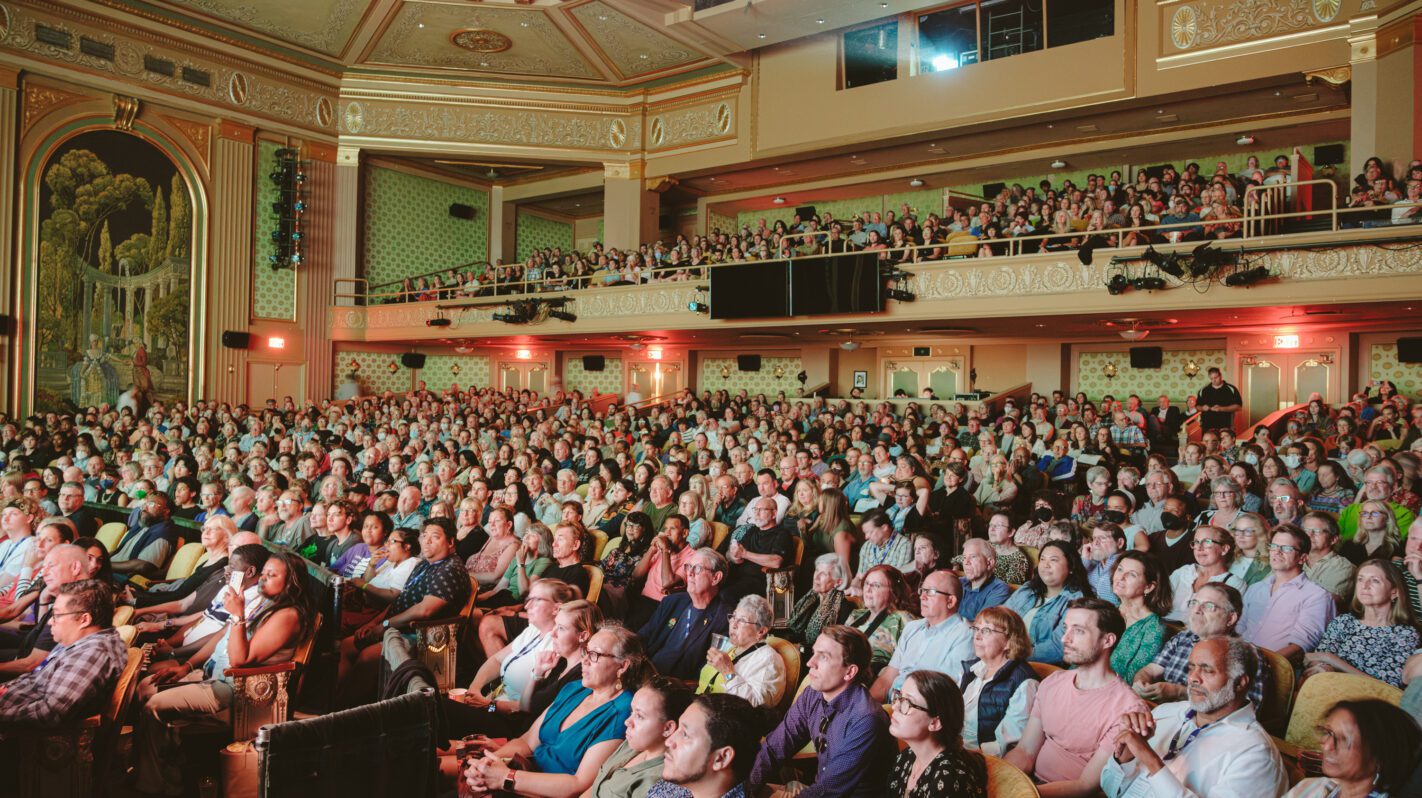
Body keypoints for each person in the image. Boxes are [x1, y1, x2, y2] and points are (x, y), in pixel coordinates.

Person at [134, 550, 314, 794]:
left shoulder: (288, 616)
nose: (263, 579)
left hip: (238, 693)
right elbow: (222, 635)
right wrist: (186, 667)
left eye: (272, 575)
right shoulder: (264, 603)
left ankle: (157, 786)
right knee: (145, 687)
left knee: (154, 705)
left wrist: (238, 615)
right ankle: (170, 769)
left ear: (292, 583)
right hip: (213, 675)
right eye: (263, 574)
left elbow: (240, 661)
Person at [462, 625, 648, 798]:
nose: (584, 660)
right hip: (519, 769)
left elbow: (579, 784)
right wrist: (487, 765)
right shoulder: (574, 687)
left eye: (594, 655)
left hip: (534, 782)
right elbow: (527, 742)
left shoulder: (624, 712)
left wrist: (506, 777)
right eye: (586, 651)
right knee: (461, 771)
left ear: (622, 666)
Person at [1100, 637, 1288, 798]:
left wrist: (1152, 762)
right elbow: (1109, 788)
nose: (1193, 678)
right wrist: (1125, 758)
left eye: (1207, 670)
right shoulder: (1165, 713)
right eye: (1191, 668)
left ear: (1239, 683)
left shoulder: (1255, 754)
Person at [1005, 599, 1148, 797]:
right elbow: (1025, 751)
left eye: (1079, 631)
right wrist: (1001, 780)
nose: (1065, 638)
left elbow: (1086, 786)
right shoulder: (1053, 681)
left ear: (1107, 641)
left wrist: (1021, 793)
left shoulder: (1128, 710)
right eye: (1066, 628)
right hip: (1030, 786)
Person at [749, 626, 894, 798]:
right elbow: (775, 747)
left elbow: (828, 791)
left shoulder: (866, 719)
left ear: (849, 672)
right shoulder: (813, 694)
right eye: (814, 653)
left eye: (824, 657)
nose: (810, 662)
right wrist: (746, 789)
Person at [446, 580, 579, 740]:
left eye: (536, 600)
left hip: (507, 722)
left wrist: (488, 706)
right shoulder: (533, 630)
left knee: (440, 709)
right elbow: (496, 660)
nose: (527, 606)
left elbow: (529, 707)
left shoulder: (555, 648)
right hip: (490, 705)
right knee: (438, 707)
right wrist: (474, 689)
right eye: (528, 599)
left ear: (556, 608)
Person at [0, 579, 127, 728]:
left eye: (57, 615)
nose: (50, 622)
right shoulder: (81, 641)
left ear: (84, 619)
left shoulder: (91, 654)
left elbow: (50, 713)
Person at [1132, 583, 1267, 707]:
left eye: (1209, 606)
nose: (1197, 610)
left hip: (1203, 722)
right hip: (1158, 711)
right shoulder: (1183, 638)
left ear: (1231, 618)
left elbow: (1249, 707)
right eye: (1194, 603)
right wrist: (1141, 682)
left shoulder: (1248, 654)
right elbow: (1150, 670)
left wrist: (1179, 692)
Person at [1302, 559, 1419, 686]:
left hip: (1368, 697)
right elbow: (1314, 658)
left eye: (1375, 580)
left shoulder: (1406, 634)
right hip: (1328, 688)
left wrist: (1330, 659)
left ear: (1394, 591)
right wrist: (1323, 666)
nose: (1365, 585)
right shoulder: (1344, 621)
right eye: (1360, 579)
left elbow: (1387, 687)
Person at [1281, 699, 1422, 798]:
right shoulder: (1312, 788)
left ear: (1381, 756)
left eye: (1344, 740)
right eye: (1328, 732)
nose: (1327, 746)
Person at [585, 677, 696, 798]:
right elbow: (595, 788)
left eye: (640, 716)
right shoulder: (631, 744)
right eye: (631, 711)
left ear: (668, 728)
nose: (627, 722)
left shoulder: (656, 784)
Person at [1239, 524, 1336, 662]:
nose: (1277, 552)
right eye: (1274, 546)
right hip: (1239, 658)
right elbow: (1239, 628)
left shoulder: (1316, 595)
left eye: (1286, 548)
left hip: (1276, 666)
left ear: (1302, 558)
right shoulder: (1256, 588)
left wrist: (1261, 663)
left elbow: (1300, 645)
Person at [872, 569, 974, 698]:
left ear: (950, 601)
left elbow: (943, 691)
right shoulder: (912, 628)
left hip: (919, 705)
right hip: (891, 702)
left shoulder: (965, 635)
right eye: (922, 590)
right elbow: (887, 678)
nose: (922, 597)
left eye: (930, 592)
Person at [886, 670, 988, 798]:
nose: (895, 706)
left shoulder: (949, 780)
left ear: (934, 723)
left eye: (907, 702)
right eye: (899, 697)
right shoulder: (907, 756)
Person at [637, 547, 731, 680]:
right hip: (645, 671)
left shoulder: (724, 619)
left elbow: (707, 669)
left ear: (715, 578)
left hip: (676, 683)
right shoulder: (673, 601)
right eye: (688, 567)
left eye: (697, 568)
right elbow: (643, 636)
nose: (690, 573)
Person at [959, 605, 1038, 756]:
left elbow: (1004, 745)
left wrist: (964, 755)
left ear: (1009, 641)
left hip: (983, 759)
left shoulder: (1025, 683)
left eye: (986, 630)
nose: (977, 636)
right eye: (976, 629)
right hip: (957, 749)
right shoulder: (972, 670)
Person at [653, 693, 762, 798]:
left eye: (685, 734)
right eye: (678, 728)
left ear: (721, 758)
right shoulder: (670, 788)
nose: (668, 741)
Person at [1003, 540, 1092, 665]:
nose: (1046, 565)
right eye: (1042, 559)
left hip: (1034, 665)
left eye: (1053, 560)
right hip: (1003, 655)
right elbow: (1000, 617)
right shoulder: (1028, 588)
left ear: (1071, 567)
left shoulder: (1077, 601)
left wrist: (1012, 654)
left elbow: (1058, 647)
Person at [698, 594, 786, 709]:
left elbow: (755, 705)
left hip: (723, 716)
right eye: (733, 617)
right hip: (701, 704)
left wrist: (727, 672)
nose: (733, 624)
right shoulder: (730, 648)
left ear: (761, 631)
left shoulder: (768, 659)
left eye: (742, 621)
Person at [1108, 551, 1172, 683]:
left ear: (1149, 587)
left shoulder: (1154, 628)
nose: (1121, 577)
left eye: (1132, 574)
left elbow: (1132, 680)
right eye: (1120, 569)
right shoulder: (1107, 611)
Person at [719, 497, 792, 604]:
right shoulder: (752, 531)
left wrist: (745, 554)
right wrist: (733, 556)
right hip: (738, 575)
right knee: (711, 585)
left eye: (761, 510)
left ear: (774, 513)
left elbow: (776, 561)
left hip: (761, 581)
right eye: (755, 509)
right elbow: (736, 554)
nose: (756, 514)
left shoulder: (782, 534)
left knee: (726, 594)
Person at [1165, 525, 1245, 622]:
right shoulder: (1184, 572)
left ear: (1224, 549)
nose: (1199, 548)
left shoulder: (1233, 583)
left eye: (1207, 542)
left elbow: (1221, 621)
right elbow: (1160, 603)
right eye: (1196, 542)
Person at [845, 564, 914, 674]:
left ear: (893, 591)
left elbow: (909, 663)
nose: (868, 589)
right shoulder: (856, 615)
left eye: (876, 585)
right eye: (866, 583)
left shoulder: (903, 619)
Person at [784, 554, 851, 652]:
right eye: (817, 570)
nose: (816, 577)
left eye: (823, 574)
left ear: (838, 582)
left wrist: (800, 648)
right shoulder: (811, 599)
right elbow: (795, 632)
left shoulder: (843, 608)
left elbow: (833, 647)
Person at [1301, 512, 1356, 603]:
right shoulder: (1294, 558)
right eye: (1305, 530)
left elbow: (1323, 603)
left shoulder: (1343, 567)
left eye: (1317, 531)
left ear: (1333, 539)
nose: (1309, 535)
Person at [957, 538, 1010, 622]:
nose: (966, 562)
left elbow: (981, 623)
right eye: (964, 557)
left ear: (989, 563)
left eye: (973, 557)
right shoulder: (958, 582)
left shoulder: (999, 589)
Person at [1195, 367, 1242, 435]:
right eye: (1211, 378)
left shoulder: (1231, 389)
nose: (1214, 380)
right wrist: (1202, 408)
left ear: (1220, 376)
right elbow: (1197, 406)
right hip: (1207, 426)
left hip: (1226, 425)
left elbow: (1238, 407)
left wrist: (1221, 409)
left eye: (1216, 377)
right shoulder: (1203, 390)